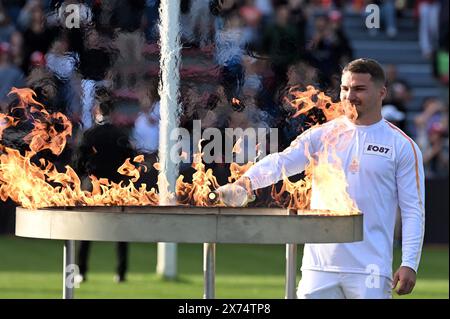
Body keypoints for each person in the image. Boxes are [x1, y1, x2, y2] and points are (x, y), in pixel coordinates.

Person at [218, 58, 425, 299]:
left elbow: (413, 210)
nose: (349, 96)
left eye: (359, 89)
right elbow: (282, 162)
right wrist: (246, 182)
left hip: (371, 268)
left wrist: (410, 262)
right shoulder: (323, 135)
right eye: (345, 88)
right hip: (320, 266)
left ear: (381, 92)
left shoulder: (402, 145)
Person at [74, 87, 136, 283]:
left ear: (96, 111)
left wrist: (82, 178)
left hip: (93, 186)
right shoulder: (121, 134)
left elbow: (78, 162)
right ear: (113, 112)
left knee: (85, 231)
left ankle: (81, 271)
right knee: (121, 231)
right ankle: (121, 272)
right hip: (117, 187)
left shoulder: (89, 134)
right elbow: (131, 161)